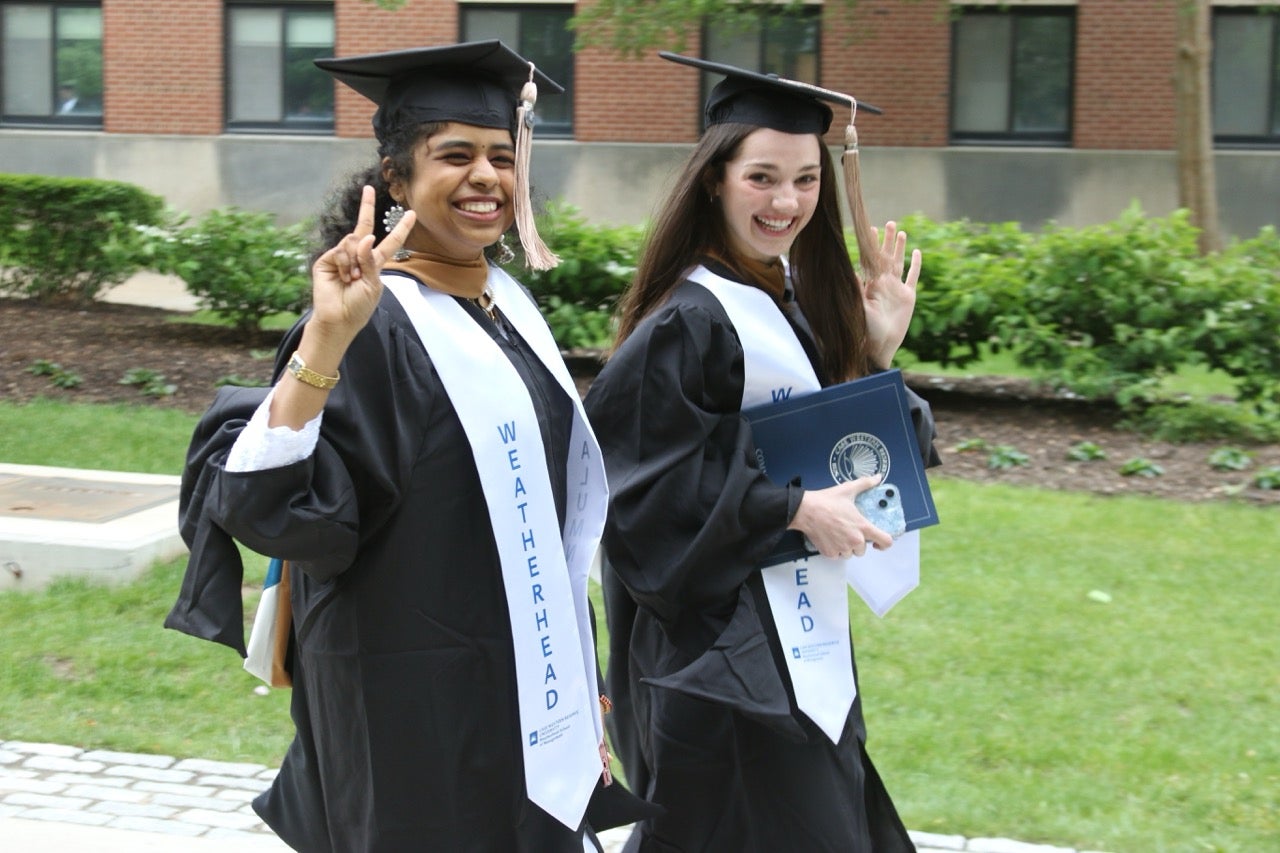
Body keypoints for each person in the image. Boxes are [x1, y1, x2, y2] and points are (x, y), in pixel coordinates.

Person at [165, 41, 653, 852]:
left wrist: (572, 667)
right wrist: (324, 341)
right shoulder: (371, 323)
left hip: (519, 691)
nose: (487, 177)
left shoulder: (506, 308)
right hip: (408, 702)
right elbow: (277, 514)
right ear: (394, 180)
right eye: (454, 155)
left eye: (503, 156)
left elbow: (542, 516)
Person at [584, 54, 942, 852]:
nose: (787, 202)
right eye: (762, 176)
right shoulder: (690, 318)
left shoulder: (788, 301)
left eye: (807, 180)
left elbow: (871, 463)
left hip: (792, 646)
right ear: (715, 178)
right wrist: (791, 508)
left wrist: (872, 360)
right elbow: (638, 494)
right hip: (716, 664)